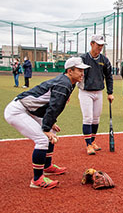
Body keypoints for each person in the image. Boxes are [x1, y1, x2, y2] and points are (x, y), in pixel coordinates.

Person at [4, 57, 90, 189]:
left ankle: (47, 166)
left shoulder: (68, 82)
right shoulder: (64, 84)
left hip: (30, 110)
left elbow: (50, 105)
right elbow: (54, 107)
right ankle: (37, 179)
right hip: (18, 111)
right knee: (42, 139)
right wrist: (45, 128)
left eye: (83, 70)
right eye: (79, 70)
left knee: (52, 131)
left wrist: (50, 125)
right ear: (69, 71)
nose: (82, 73)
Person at [78, 34, 114, 155]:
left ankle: (92, 141)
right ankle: (88, 144)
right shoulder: (83, 59)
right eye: (98, 45)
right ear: (91, 44)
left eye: (102, 45)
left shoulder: (104, 60)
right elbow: (74, 76)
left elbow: (109, 77)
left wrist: (110, 93)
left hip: (98, 92)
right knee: (88, 118)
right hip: (85, 92)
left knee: (96, 118)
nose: (100, 48)